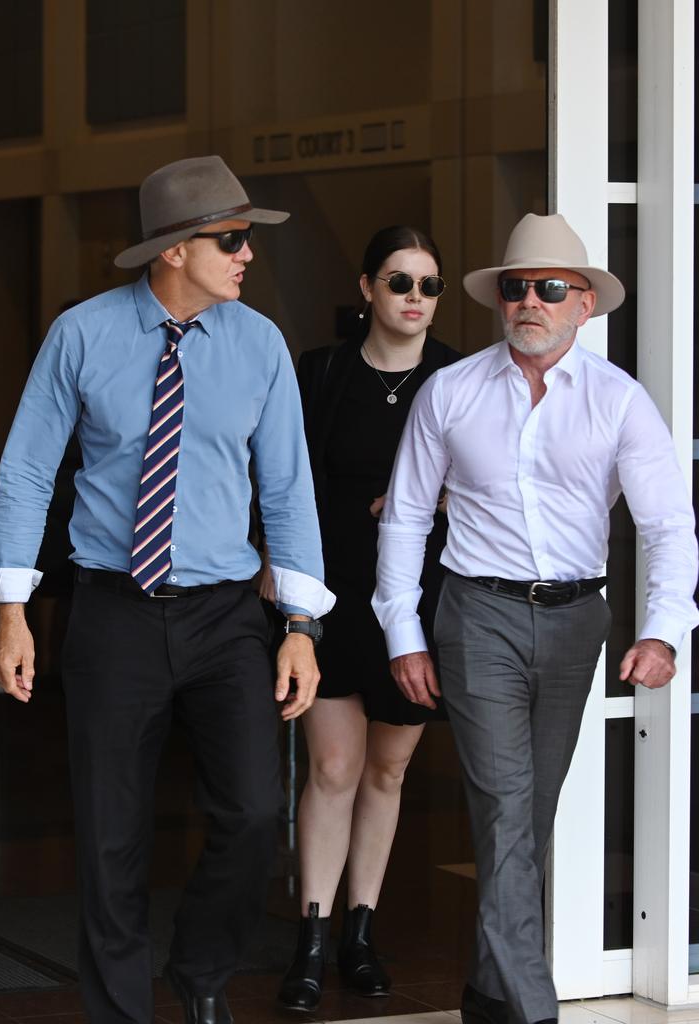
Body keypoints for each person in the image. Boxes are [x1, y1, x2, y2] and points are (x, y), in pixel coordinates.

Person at [0, 155, 335, 1024]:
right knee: (109, 840)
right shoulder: (84, 335)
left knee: (252, 814)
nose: (248, 256)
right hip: (112, 612)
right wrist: (11, 612)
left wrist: (300, 626)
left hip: (226, 618)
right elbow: (25, 473)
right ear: (174, 250)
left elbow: (287, 489)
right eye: (232, 240)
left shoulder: (260, 345)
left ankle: (203, 968)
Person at [372, 213, 699, 1024]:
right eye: (516, 288)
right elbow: (407, 517)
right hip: (475, 613)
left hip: (574, 621)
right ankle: (533, 1008)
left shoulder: (621, 402)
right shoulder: (449, 392)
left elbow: (666, 526)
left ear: (585, 305)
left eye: (550, 290)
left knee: (526, 812)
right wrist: (403, 631)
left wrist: (662, 628)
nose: (530, 302)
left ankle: (489, 991)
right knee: (506, 803)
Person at [275, 226, 460, 1012]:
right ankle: (311, 940)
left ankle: (360, 933)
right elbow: (283, 479)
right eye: (399, 282)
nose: (414, 298)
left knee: (387, 771)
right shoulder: (322, 374)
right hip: (332, 595)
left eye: (427, 285)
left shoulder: (458, 378)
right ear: (367, 289)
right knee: (333, 769)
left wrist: (438, 500)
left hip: (418, 602)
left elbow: (501, 475)